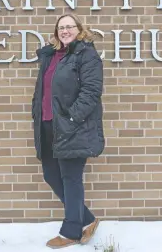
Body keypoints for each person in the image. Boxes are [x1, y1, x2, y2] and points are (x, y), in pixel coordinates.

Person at [31, 13, 105, 249]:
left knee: (71, 178)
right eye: (61, 27)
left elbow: (91, 92)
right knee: (51, 175)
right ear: (56, 32)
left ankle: (71, 231)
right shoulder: (51, 56)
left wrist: (72, 117)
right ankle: (87, 219)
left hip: (72, 126)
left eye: (70, 26)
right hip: (47, 125)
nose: (65, 31)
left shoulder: (87, 55)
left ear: (79, 30)